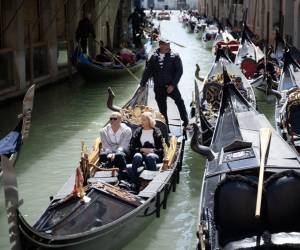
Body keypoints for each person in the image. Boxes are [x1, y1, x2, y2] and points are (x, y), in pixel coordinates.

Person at [139, 38, 189, 129]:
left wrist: (173, 85)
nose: (168, 47)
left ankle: (186, 121)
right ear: (160, 45)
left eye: (169, 45)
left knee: (180, 102)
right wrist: (142, 84)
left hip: (171, 86)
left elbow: (179, 71)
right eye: (166, 45)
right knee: (162, 109)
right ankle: (166, 127)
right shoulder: (153, 57)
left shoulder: (175, 56)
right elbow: (147, 71)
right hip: (158, 87)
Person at [127, 112, 164, 190]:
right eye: (142, 120)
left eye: (144, 120)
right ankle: (134, 182)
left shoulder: (157, 131)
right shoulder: (138, 131)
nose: (142, 122)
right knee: (137, 156)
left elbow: (161, 149)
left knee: (150, 157)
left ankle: (153, 182)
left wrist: (152, 150)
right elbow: (132, 147)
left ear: (149, 121)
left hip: (154, 155)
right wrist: (141, 149)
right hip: (141, 154)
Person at [99, 112, 132, 180]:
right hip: (109, 151)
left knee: (119, 155)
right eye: (111, 119)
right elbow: (105, 145)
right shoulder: (103, 131)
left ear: (120, 120)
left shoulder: (127, 130)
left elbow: (124, 145)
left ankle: (124, 175)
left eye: (115, 119)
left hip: (123, 151)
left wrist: (115, 153)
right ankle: (105, 174)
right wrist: (109, 153)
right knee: (103, 155)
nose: (112, 120)